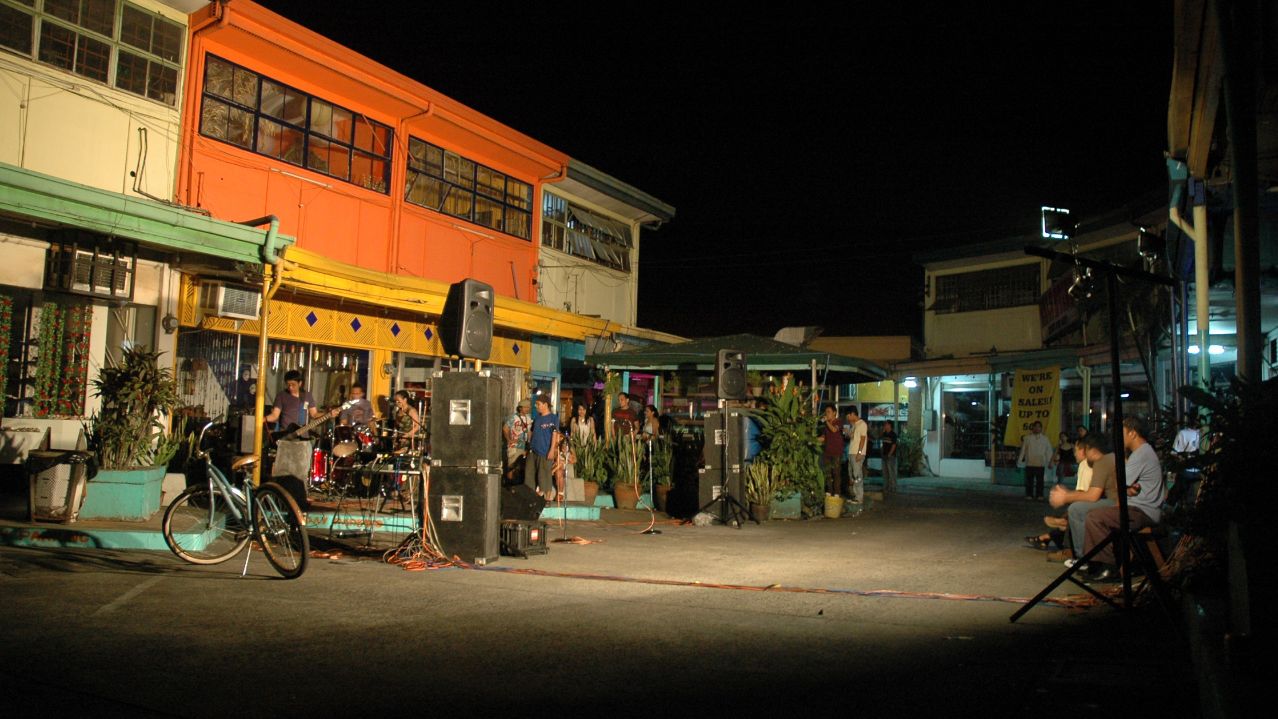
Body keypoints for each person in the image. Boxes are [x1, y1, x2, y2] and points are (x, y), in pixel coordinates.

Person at [1080, 416, 1167, 581]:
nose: (1119, 437)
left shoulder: (1141, 453)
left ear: (1133, 433)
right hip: (1141, 509)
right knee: (1100, 515)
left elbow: (1121, 482)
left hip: (1141, 512)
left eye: (1122, 433)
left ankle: (1106, 566)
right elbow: (1126, 486)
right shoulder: (1143, 452)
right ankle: (1098, 563)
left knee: (1095, 517)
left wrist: (1125, 491)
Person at [1045, 433, 1117, 562]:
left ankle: (1082, 556)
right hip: (1115, 502)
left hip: (1116, 504)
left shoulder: (1099, 462)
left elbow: (1091, 495)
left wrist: (1065, 496)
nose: (1075, 453)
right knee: (1076, 509)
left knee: (1076, 509)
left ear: (1091, 449)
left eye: (1081, 449)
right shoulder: (1110, 458)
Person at [264, 369, 326, 436]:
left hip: (302, 433)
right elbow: (275, 415)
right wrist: (264, 419)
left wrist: (328, 413)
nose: (290, 387)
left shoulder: (307, 396)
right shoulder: (281, 396)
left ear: (300, 383)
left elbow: (314, 414)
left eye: (293, 385)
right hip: (286, 434)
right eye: (288, 384)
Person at [525, 395, 560, 499]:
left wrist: (552, 449)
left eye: (538, 404)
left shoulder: (553, 418)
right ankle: (530, 496)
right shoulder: (537, 418)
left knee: (544, 474)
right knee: (529, 474)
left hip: (545, 451)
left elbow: (555, 434)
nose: (537, 406)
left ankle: (547, 498)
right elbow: (531, 432)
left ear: (545, 405)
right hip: (533, 450)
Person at [1017, 420, 1053, 500]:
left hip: (1040, 463)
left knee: (1040, 480)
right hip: (1029, 462)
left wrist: (1050, 461)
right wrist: (1019, 461)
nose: (1037, 428)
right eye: (1035, 427)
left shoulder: (1045, 439)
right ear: (1032, 428)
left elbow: (1048, 451)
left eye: (1038, 427)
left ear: (1041, 428)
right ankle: (1029, 494)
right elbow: (1023, 450)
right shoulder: (1027, 438)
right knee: (1029, 480)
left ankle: (1039, 495)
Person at [819, 405, 845, 497]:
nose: (827, 414)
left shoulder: (839, 422)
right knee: (828, 473)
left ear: (834, 412)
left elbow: (834, 430)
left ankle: (837, 493)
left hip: (837, 452)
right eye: (826, 412)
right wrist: (812, 440)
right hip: (827, 452)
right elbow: (823, 438)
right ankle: (829, 491)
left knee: (836, 473)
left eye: (828, 412)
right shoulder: (826, 425)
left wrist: (826, 421)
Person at [844, 408, 868, 503]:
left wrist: (859, 453)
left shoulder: (862, 424)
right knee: (852, 474)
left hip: (857, 453)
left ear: (853, 414)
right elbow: (852, 437)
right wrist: (847, 432)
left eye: (848, 416)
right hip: (851, 452)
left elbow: (863, 439)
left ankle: (859, 497)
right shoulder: (854, 425)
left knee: (857, 475)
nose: (848, 419)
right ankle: (856, 495)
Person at [503, 398, 532, 468]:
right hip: (514, 447)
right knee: (513, 467)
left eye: (528, 407)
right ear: (520, 408)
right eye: (525, 407)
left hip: (525, 447)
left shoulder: (528, 418)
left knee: (522, 468)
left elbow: (529, 432)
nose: (527, 409)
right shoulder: (513, 417)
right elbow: (505, 428)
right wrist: (509, 440)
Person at [880, 420, 899, 495]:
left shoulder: (893, 434)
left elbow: (894, 445)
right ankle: (886, 487)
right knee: (885, 472)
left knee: (891, 472)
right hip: (884, 455)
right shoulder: (884, 434)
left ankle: (893, 487)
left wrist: (890, 454)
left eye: (886, 424)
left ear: (890, 425)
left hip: (890, 456)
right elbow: (882, 443)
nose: (885, 426)